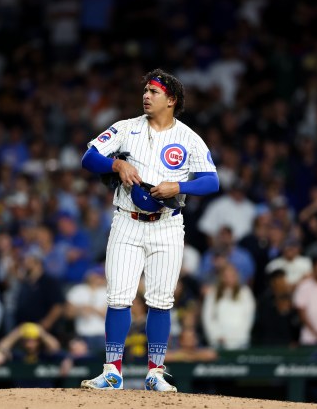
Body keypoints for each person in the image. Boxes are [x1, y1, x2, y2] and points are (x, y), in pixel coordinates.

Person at [79, 69, 219, 392]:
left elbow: (212, 180)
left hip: (167, 224)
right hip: (127, 219)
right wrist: (117, 165)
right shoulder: (126, 129)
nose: (146, 95)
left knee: (161, 300)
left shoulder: (188, 137)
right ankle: (112, 371)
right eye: (145, 90)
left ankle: (155, 372)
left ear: (171, 100)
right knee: (118, 297)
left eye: (153, 92)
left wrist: (179, 185)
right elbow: (88, 157)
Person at [201, 263, 256, 350]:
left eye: (232, 275)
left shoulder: (245, 293)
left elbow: (248, 317)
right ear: (221, 277)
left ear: (237, 276)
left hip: (240, 340)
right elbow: (208, 317)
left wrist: (239, 336)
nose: (229, 278)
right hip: (219, 341)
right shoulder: (213, 294)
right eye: (226, 276)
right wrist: (216, 336)